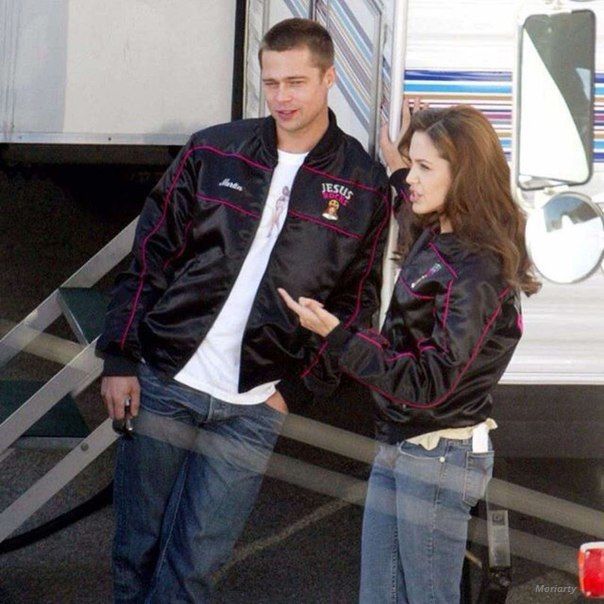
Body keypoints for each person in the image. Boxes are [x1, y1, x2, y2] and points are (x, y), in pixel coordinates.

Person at [97, 18, 389, 603]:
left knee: (197, 567)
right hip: (166, 378)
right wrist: (120, 357)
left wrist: (296, 394)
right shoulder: (213, 150)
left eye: (297, 82)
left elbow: (355, 304)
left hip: (255, 404)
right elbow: (150, 256)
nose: (282, 97)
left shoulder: (362, 185)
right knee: (136, 548)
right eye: (271, 81)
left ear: (329, 78)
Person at [279, 101, 540, 603]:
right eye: (412, 165)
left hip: (439, 455)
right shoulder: (438, 227)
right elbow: (406, 190)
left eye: (425, 167)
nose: (410, 179)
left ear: (462, 176)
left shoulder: (477, 269)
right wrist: (396, 154)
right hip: (403, 443)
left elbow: (429, 380)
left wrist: (339, 337)